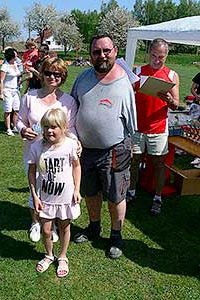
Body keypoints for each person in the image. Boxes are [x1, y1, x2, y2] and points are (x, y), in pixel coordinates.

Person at [71, 34, 137, 259]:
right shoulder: (82, 78)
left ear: (115, 52)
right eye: (97, 51)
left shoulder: (123, 82)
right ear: (90, 55)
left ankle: (116, 235)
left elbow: (132, 122)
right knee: (90, 192)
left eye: (106, 50)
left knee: (115, 197)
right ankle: (93, 227)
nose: (102, 55)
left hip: (114, 151)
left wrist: (128, 148)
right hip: (85, 150)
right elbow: (72, 108)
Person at [17, 57, 78, 244]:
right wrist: (22, 129)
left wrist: (76, 142)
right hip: (35, 152)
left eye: (57, 74)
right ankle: (36, 222)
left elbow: (72, 128)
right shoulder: (30, 97)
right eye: (48, 73)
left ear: (63, 76)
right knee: (35, 187)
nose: (52, 77)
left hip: (59, 156)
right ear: (41, 74)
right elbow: (19, 120)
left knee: (55, 189)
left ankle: (51, 225)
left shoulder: (68, 101)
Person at [127, 38, 179, 215]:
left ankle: (157, 197)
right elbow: (128, 95)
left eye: (161, 57)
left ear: (166, 56)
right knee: (134, 160)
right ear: (149, 53)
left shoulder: (172, 75)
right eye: (154, 56)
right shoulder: (139, 71)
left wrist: (170, 100)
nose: (157, 60)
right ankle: (131, 191)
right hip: (138, 126)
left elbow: (176, 105)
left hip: (158, 127)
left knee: (158, 163)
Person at [28, 108, 81, 276]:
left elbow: (77, 166)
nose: (49, 130)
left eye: (54, 127)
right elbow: (31, 171)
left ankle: (63, 256)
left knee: (65, 227)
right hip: (45, 198)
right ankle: (49, 255)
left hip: (66, 197)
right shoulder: (37, 146)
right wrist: (34, 195)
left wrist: (77, 189)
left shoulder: (70, 145)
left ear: (64, 127)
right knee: (46, 229)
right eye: (46, 127)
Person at [0, 48, 22, 136]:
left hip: (15, 90)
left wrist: (24, 72)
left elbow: (17, 74)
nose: (17, 56)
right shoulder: (5, 66)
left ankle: (15, 126)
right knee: (8, 110)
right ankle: (8, 128)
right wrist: (1, 93)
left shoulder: (15, 64)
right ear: (11, 56)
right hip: (7, 90)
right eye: (15, 55)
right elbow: (1, 80)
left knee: (16, 109)